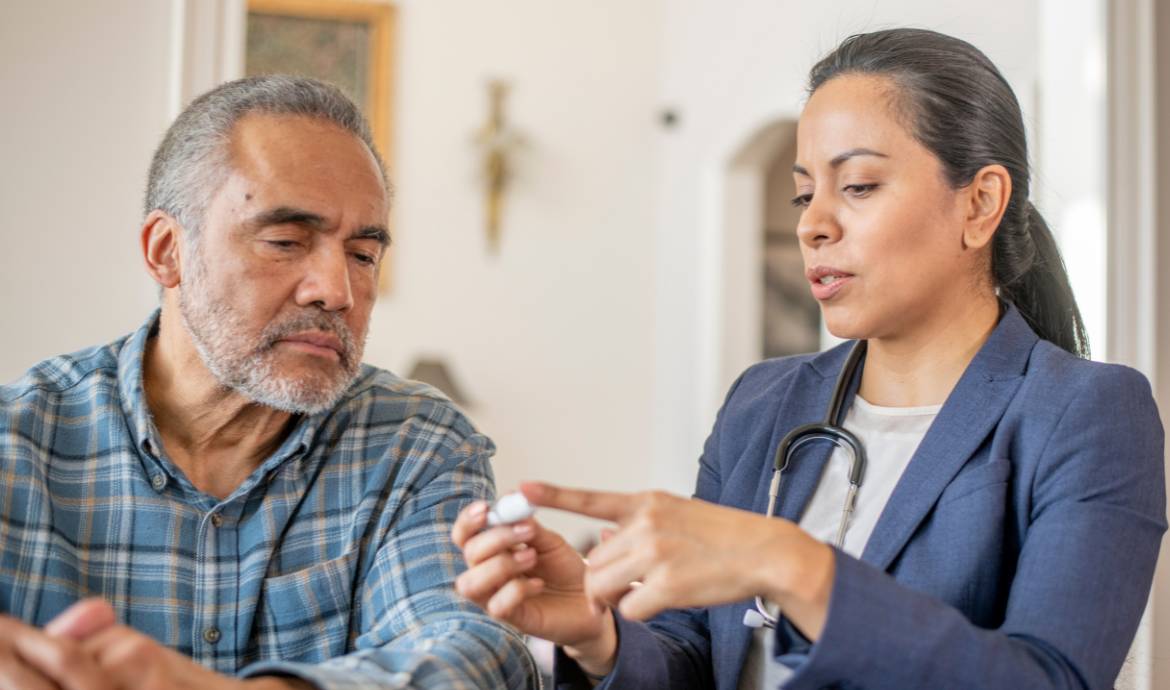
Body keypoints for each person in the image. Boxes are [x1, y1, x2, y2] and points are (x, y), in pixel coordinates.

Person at [452, 28, 1167, 689]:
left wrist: (793, 564)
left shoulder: (1087, 414)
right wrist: (598, 633)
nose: (812, 225)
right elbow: (694, 659)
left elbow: (1050, 680)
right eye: (804, 192)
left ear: (980, 204)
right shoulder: (762, 404)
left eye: (857, 186)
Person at [0, 75, 538, 689]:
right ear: (167, 250)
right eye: (285, 242)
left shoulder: (417, 444)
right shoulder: (15, 446)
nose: (336, 291)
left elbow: (467, 654)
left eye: (363, 255)